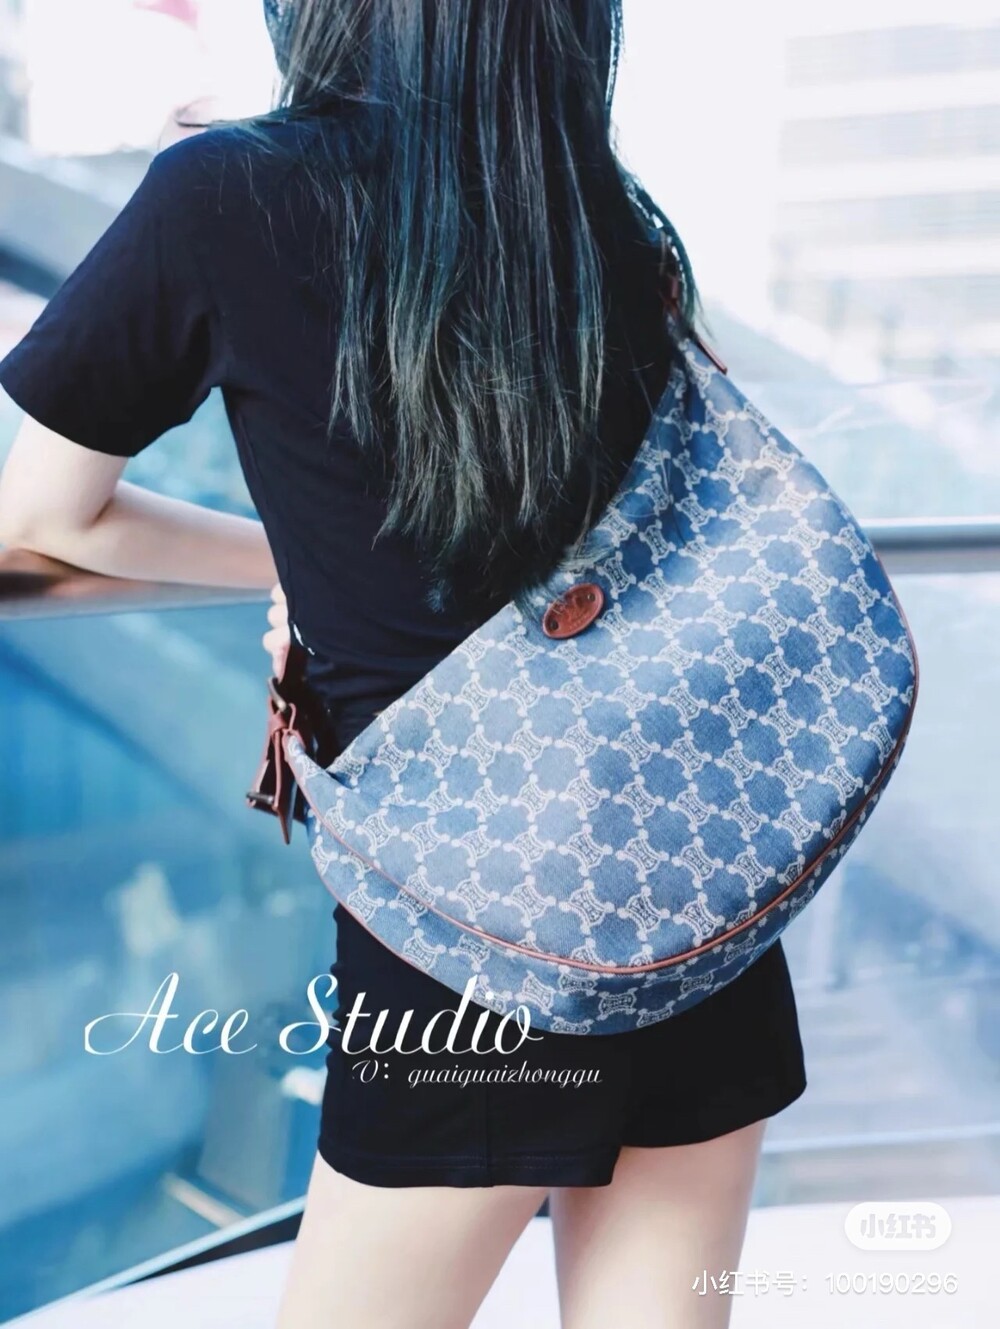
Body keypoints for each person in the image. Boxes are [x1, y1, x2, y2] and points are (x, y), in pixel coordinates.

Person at [0, 2, 807, 1325]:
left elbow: (39, 516)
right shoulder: (610, 223)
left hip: (464, 936)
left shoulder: (228, 193)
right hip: (695, 895)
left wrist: (293, 564)